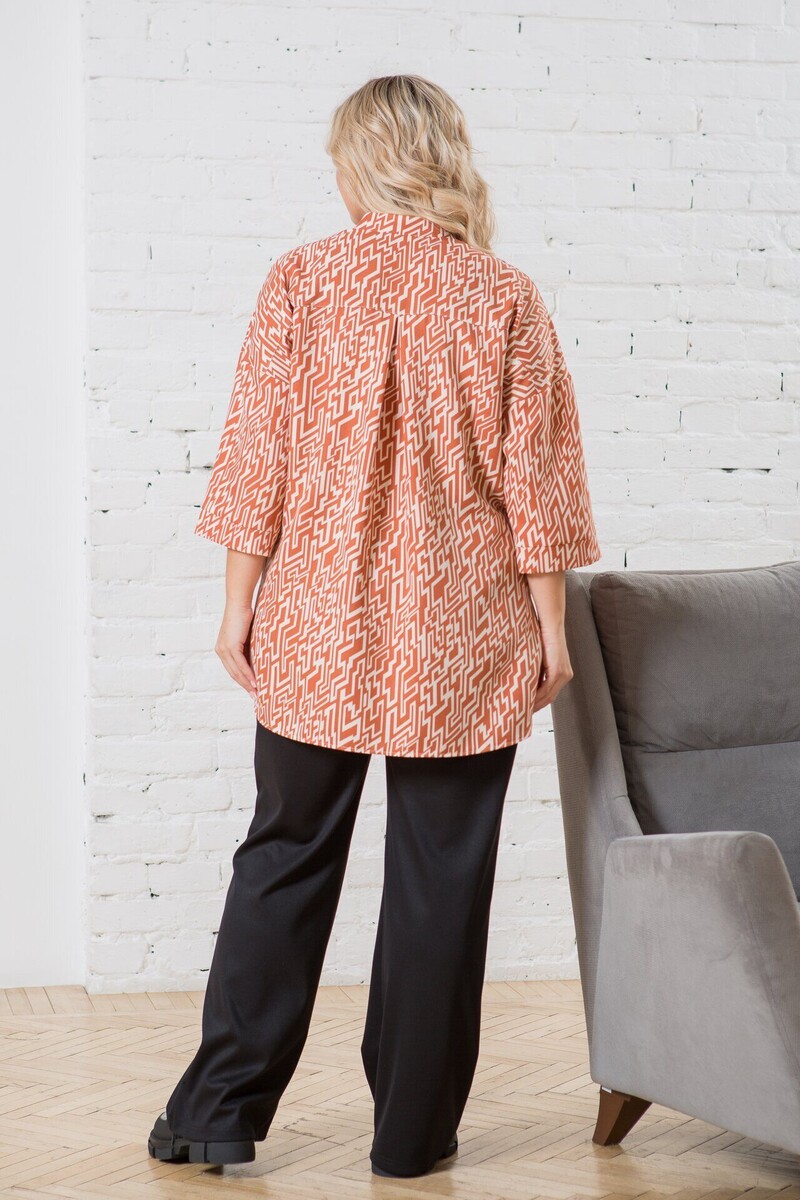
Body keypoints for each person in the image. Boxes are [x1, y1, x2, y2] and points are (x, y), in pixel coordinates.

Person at [147, 73, 601, 1179]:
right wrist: (551, 628)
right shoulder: (504, 295)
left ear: (359, 167)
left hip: (318, 616)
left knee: (283, 855)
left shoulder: (301, 281)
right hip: (466, 627)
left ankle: (218, 1111)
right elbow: (537, 481)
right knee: (442, 877)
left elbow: (257, 455)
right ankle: (411, 1134)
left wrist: (237, 604)